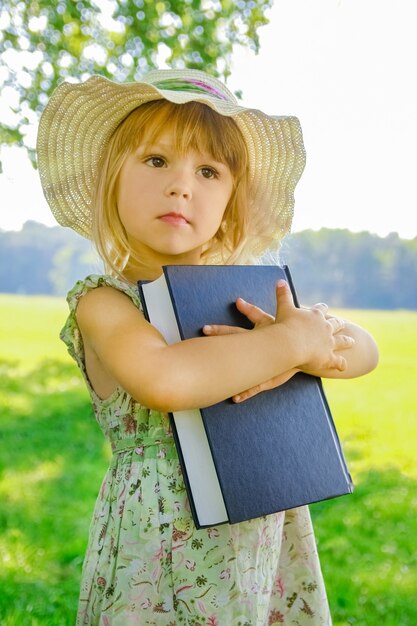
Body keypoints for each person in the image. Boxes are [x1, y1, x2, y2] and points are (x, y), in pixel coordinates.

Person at [37, 69, 378, 626]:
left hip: (260, 523)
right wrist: (287, 343)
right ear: (111, 180)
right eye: (155, 161)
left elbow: (363, 350)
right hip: (163, 545)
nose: (181, 185)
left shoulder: (242, 298)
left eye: (208, 171)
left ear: (230, 200)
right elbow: (165, 380)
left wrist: (312, 348)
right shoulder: (105, 302)